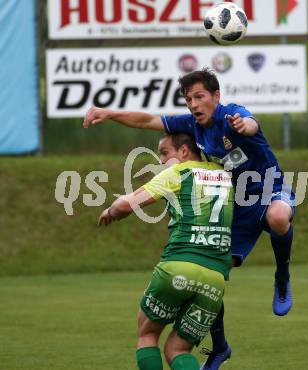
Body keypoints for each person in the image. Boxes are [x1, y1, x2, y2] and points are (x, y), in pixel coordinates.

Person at [84, 68, 294, 370]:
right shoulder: (191, 126)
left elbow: (251, 123)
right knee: (217, 264)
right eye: (188, 99)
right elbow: (147, 121)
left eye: (199, 96)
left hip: (270, 188)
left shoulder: (231, 114)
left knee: (277, 217)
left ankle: (282, 276)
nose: (194, 104)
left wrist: (243, 127)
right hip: (238, 202)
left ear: (216, 96)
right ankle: (220, 345)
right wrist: (109, 113)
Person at [98, 133, 234, 370]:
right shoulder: (224, 173)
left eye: (164, 153)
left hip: (178, 265)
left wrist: (111, 211)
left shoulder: (178, 173)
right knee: (178, 349)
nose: (160, 161)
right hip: (216, 277)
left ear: (183, 151)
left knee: (147, 335)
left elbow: (126, 204)